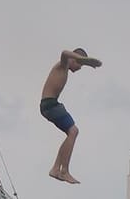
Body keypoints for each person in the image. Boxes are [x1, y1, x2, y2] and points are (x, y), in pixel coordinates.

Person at [40, 48, 102, 184]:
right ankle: (64, 171)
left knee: (71, 133)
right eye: (80, 65)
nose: (79, 68)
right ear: (75, 59)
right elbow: (64, 52)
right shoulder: (62, 65)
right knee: (73, 131)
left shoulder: (65, 69)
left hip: (50, 105)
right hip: (50, 105)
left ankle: (56, 168)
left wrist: (85, 62)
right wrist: (85, 60)